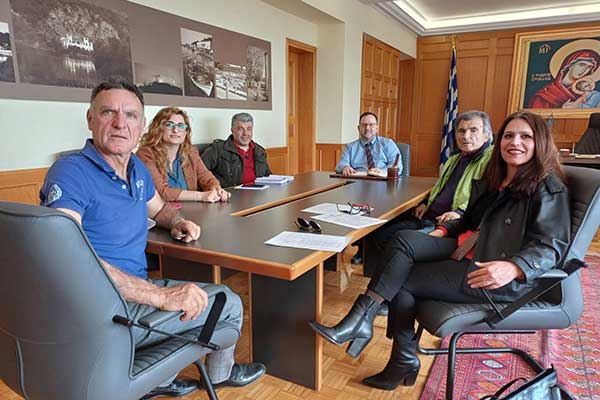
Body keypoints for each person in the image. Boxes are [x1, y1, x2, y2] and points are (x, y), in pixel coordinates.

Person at [310, 111, 570, 391]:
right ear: (500, 140)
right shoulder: (496, 178)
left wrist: (515, 267)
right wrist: (444, 230)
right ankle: (365, 323)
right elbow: (469, 219)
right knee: (403, 239)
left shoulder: (547, 188)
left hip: (494, 274)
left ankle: (395, 354)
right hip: (469, 248)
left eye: (525, 137)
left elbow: (551, 246)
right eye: (509, 135)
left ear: (539, 142)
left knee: (402, 280)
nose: (515, 142)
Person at [39, 81, 265, 399]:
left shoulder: (135, 168)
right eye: (108, 112)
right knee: (228, 304)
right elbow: (66, 256)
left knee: (199, 300)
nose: (120, 123)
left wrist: (178, 221)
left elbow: (158, 209)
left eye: (130, 115)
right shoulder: (71, 172)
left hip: (133, 297)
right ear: (90, 119)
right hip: (101, 310)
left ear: (142, 125)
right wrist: (160, 297)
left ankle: (158, 380)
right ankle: (219, 375)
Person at [363, 110, 493, 278]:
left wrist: (459, 212)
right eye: (461, 131)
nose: (466, 136)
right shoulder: (455, 158)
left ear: (486, 135)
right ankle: (392, 275)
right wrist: (425, 203)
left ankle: (402, 277)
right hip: (427, 215)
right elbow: (440, 188)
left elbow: (485, 198)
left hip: (448, 225)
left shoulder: (491, 161)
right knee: (378, 233)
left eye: (473, 130)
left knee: (400, 241)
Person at [136, 106, 230, 203]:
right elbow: (162, 192)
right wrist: (201, 196)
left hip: (191, 209)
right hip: (161, 210)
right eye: (169, 125)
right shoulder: (145, 154)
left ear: (185, 132)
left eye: (180, 126)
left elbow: (207, 178)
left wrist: (216, 189)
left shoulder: (190, 152)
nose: (175, 130)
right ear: (159, 128)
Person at [201, 112, 272, 188]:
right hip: (230, 193)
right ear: (232, 130)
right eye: (240, 129)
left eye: (249, 129)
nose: (245, 133)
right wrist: (213, 188)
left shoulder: (259, 151)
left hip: (259, 193)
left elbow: (268, 176)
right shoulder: (217, 149)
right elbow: (198, 173)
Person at [335, 112, 402, 177]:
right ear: (358, 128)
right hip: (358, 181)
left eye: (371, 125)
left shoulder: (388, 144)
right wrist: (345, 167)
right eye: (364, 125)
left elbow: (397, 166)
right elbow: (341, 164)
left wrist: (382, 172)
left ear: (377, 128)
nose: (367, 128)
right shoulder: (349, 147)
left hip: (382, 180)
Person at [528, 49, 600, 108]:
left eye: (589, 67)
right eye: (581, 65)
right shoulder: (546, 94)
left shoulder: (589, 93)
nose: (583, 70)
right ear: (569, 65)